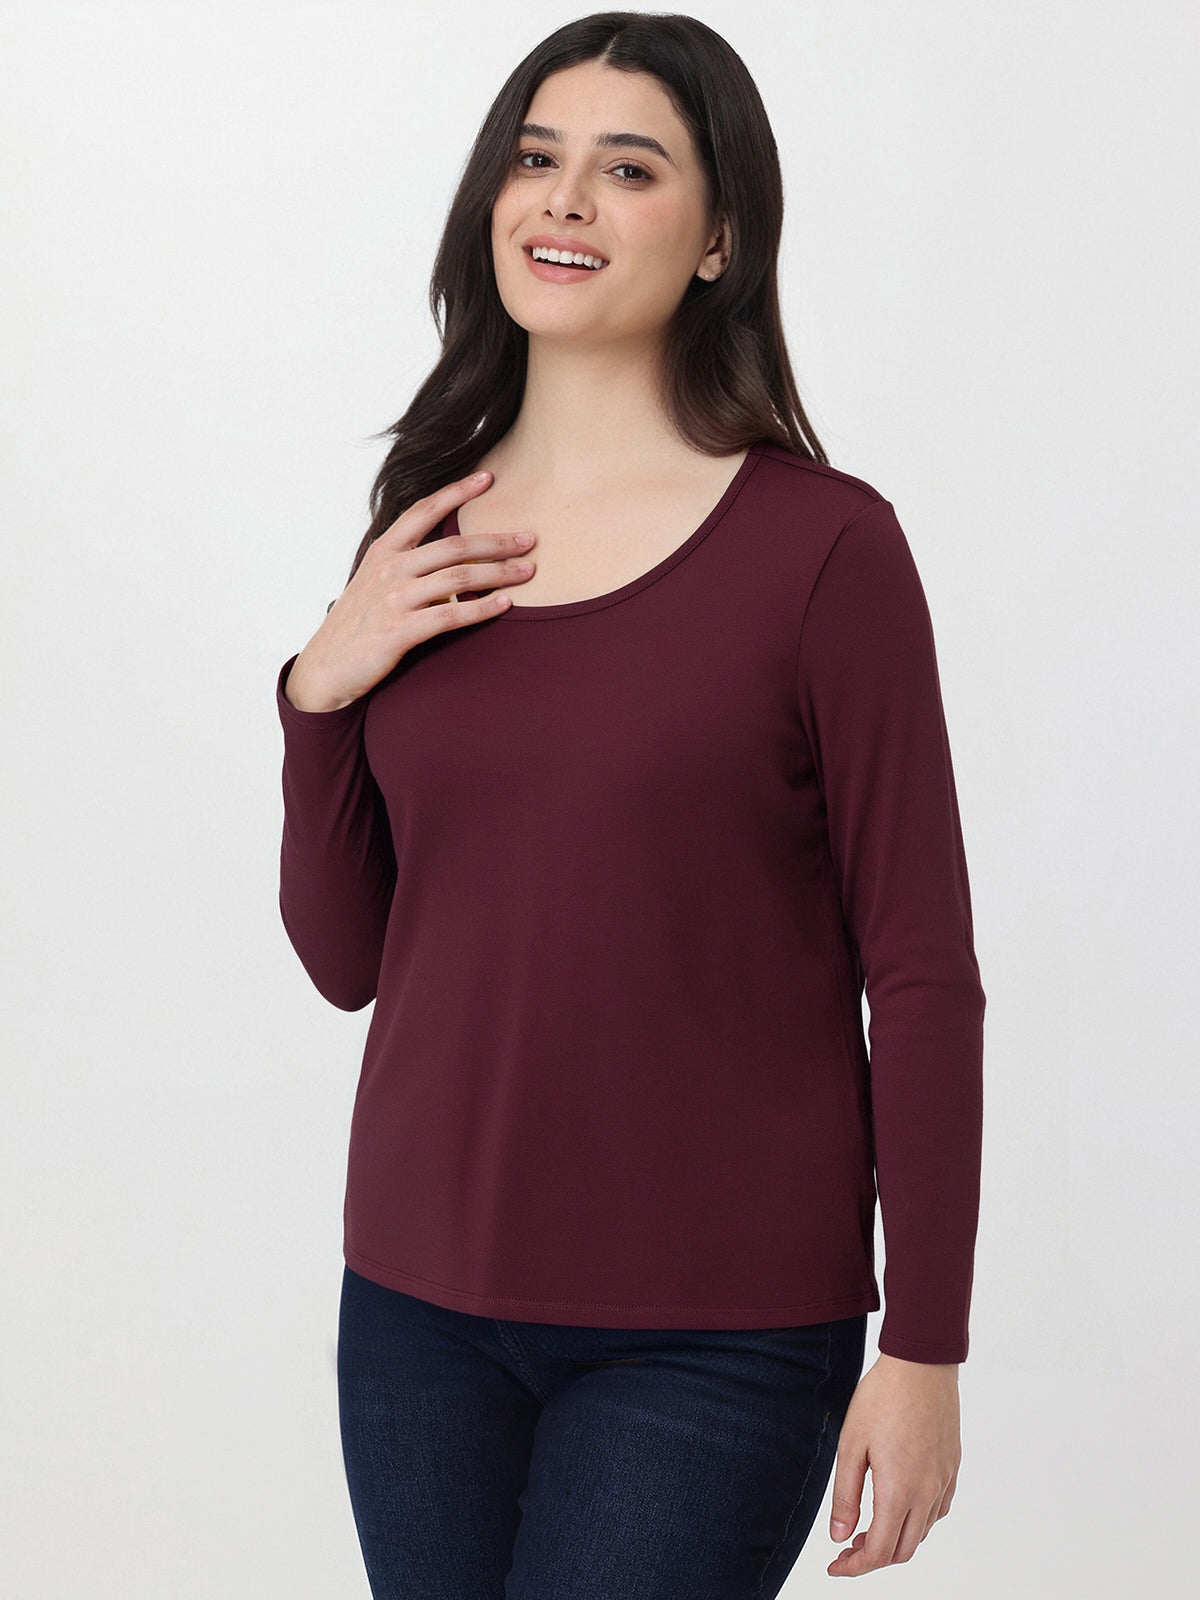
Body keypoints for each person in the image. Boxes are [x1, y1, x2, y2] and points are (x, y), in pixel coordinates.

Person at [274, 12, 986, 1597]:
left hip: (717, 1329)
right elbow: (352, 957)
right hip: (415, 1306)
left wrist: (924, 1347)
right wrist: (322, 687)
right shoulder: (428, 529)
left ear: (720, 232)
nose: (564, 201)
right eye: (536, 159)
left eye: (629, 167)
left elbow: (923, 973)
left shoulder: (825, 551)